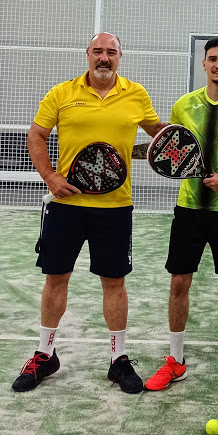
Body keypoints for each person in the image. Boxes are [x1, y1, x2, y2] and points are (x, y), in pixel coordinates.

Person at [12, 33, 166, 394]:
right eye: (98, 51)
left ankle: (118, 359)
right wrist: (50, 176)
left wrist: (182, 140)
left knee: (114, 283)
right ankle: (45, 354)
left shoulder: (136, 94)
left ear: (119, 58)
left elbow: (157, 135)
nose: (104, 58)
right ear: (87, 55)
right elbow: (36, 135)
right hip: (66, 207)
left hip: (115, 208)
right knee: (55, 278)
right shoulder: (62, 93)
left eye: (111, 52)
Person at [144, 37, 218, 391]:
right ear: (204, 64)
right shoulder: (183, 106)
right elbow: (173, 151)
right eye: (212, 58)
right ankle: (176, 361)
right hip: (188, 211)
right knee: (179, 283)